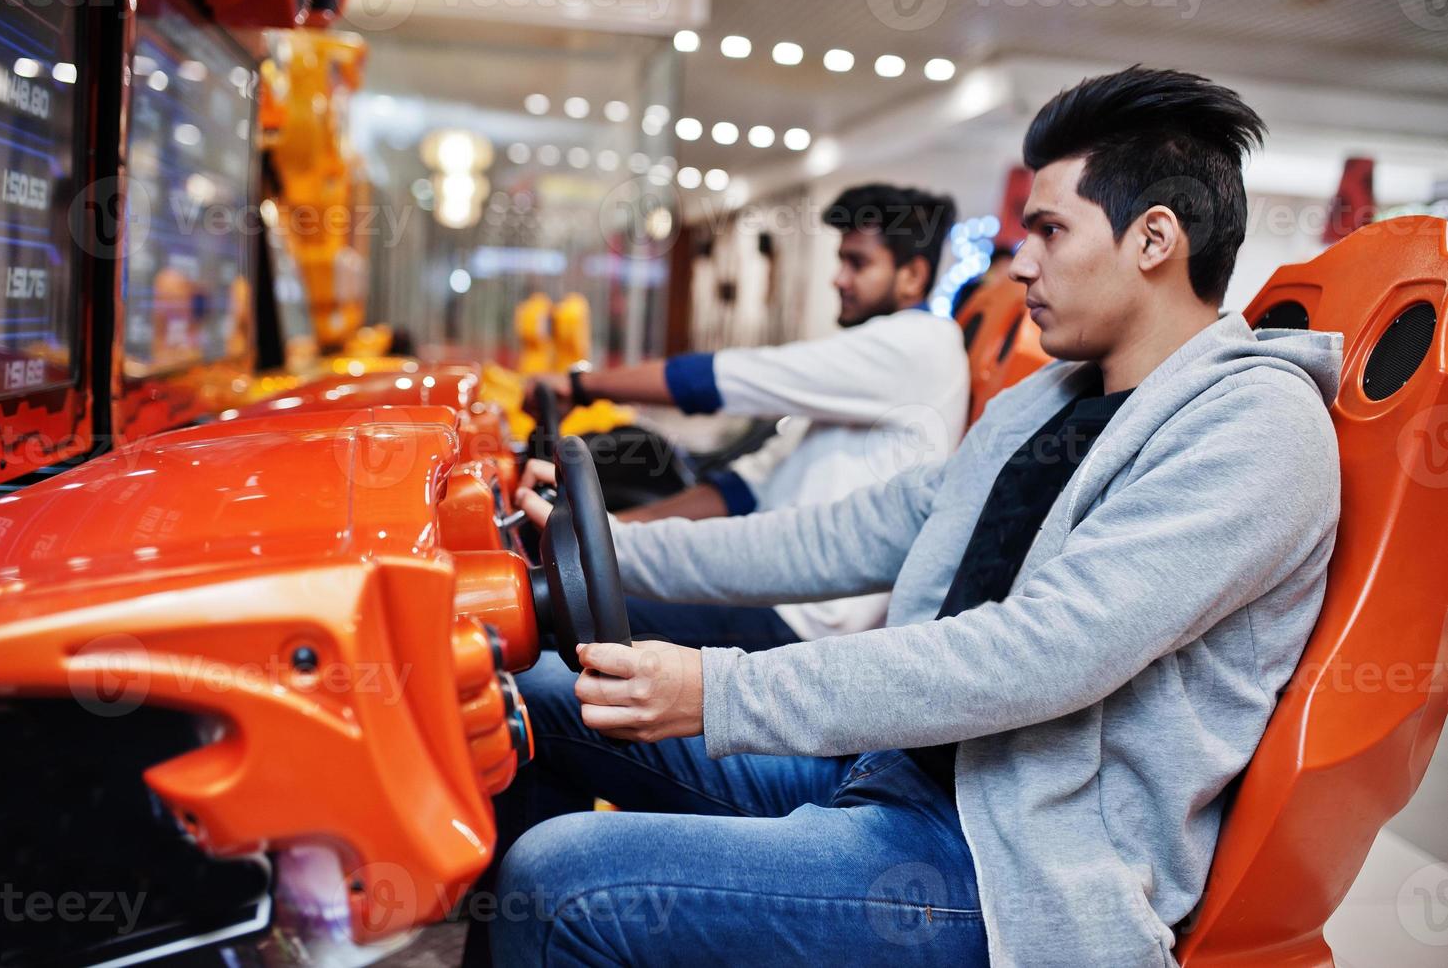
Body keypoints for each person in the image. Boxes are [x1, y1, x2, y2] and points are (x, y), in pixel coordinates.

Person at [482, 66, 1342, 967]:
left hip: (1000, 863)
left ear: (1154, 238)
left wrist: (722, 691)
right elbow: (840, 535)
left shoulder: (1252, 427)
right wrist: (615, 552)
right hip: (891, 762)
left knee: (561, 877)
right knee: (532, 707)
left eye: (1049, 231)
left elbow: (1041, 654)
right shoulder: (1045, 401)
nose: (1019, 265)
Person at [527, 185, 966, 652]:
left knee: (547, 614)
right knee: (557, 598)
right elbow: (743, 487)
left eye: (857, 263)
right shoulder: (862, 374)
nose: (838, 278)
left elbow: (725, 380)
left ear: (912, 276)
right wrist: (614, 532)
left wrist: (579, 385)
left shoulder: (922, 345)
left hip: (806, 621)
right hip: (769, 587)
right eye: (840, 260)